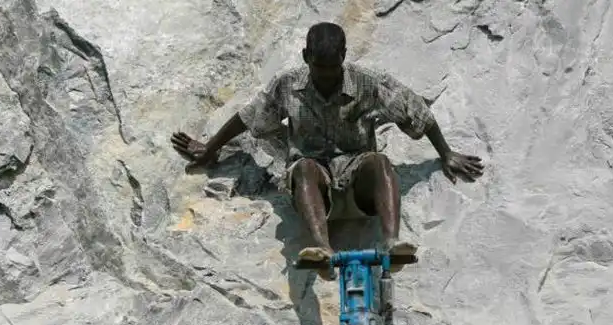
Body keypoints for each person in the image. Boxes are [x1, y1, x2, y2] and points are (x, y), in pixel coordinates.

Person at [171, 22, 484, 279]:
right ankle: (322, 249)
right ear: (305, 56)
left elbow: (415, 111)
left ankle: (391, 243)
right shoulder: (288, 84)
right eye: (318, 67)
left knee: (379, 162)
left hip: (359, 182)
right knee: (304, 168)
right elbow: (249, 117)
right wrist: (210, 149)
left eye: (332, 68)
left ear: (343, 57)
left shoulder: (367, 83)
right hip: (314, 188)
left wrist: (446, 153)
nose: (325, 75)